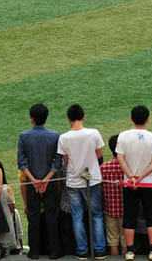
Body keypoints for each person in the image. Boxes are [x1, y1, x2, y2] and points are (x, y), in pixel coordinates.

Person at [115, 105, 152, 261]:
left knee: (130, 215)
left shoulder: (123, 136)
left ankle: (130, 251)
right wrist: (142, 176)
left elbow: (120, 158)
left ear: (131, 118)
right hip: (148, 182)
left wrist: (131, 176)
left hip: (130, 183)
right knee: (151, 216)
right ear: (148, 119)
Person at [57, 104, 106, 260]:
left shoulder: (63, 137)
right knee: (96, 214)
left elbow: (66, 160)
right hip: (92, 180)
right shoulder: (94, 133)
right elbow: (99, 155)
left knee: (77, 216)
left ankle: (82, 250)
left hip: (73, 181)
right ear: (83, 117)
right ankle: (99, 250)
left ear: (68, 119)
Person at [18, 103, 62, 259]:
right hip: (50, 182)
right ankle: (54, 251)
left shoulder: (24, 136)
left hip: (32, 183)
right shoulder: (54, 136)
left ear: (32, 119)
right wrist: (46, 179)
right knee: (52, 216)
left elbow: (22, 162)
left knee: (33, 216)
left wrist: (34, 180)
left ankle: (34, 252)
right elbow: (57, 162)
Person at [99, 136, 125, 256]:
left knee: (112, 239)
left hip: (109, 209)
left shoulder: (103, 168)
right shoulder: (127, 168)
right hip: (125, 209)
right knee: (125, 240)